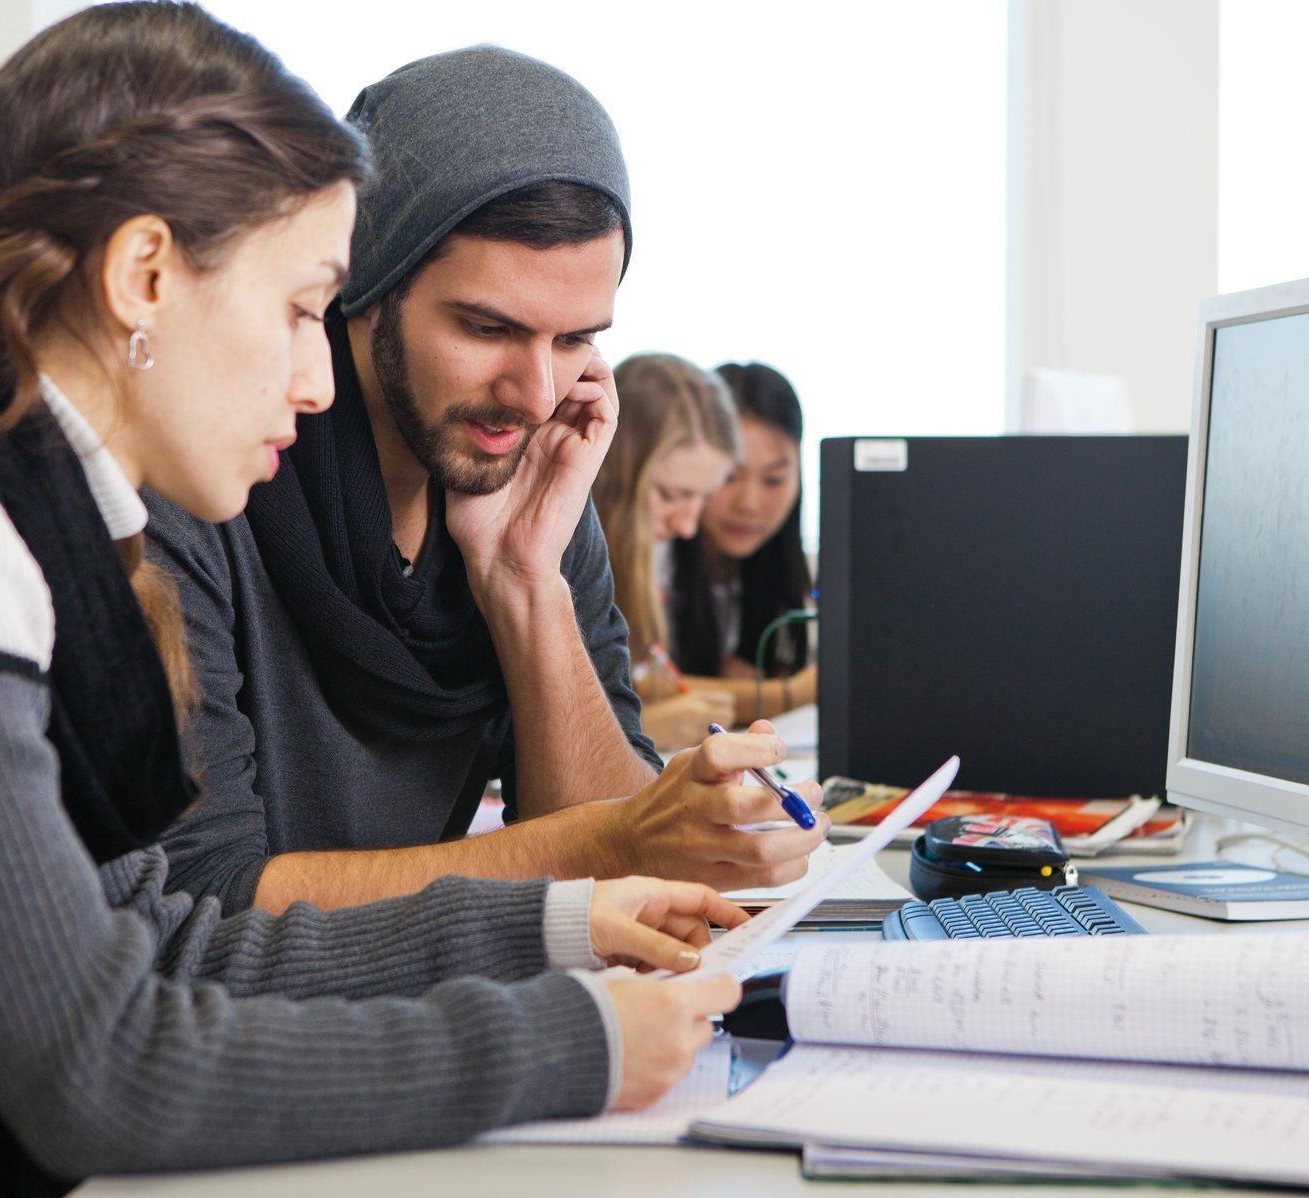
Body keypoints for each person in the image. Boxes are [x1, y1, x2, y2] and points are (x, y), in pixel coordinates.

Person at [0, 7, 748, 1193]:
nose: (316, 372)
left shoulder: (6, 514)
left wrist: (556, 925)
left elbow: (166, 947)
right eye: (299, 309)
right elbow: (106, 1069)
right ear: (143, 277)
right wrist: (573, 1043)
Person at [147, 45, 826, 916]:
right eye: (486, 327)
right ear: (367, 278)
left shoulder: (524, 479)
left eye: (576, 339)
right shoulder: (196, 484)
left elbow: (632, 876)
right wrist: (607, 841)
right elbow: (202, 902)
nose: (536, 394)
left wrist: (524, 585)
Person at [590, 353, 744, 750]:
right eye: (671, 496)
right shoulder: (558, 562)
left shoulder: (655, 557)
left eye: (704, 498)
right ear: (610, 472)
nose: (688, 527)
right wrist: (646, 726)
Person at [666, 361, 818, 722]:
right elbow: (631, 686)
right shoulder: (653, 555)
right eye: (729, 476)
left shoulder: (782, 572)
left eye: (774, 480)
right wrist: (794, 692)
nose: (749, 504)